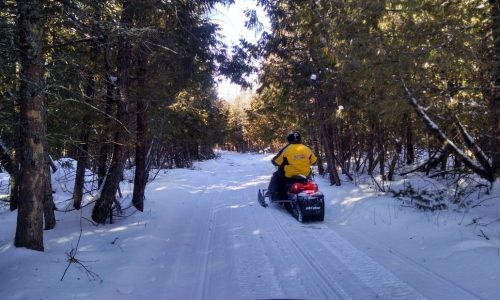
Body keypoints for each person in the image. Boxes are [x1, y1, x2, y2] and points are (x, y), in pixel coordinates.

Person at [267, 131, 317, 200]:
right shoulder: (307, 149)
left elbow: (276, 161)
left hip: (290, 176)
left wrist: (275, 161)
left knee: (276, 175)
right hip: (305, 175)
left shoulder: (286, 149)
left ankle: (274, 194)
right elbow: (314, 161)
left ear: (289, 139)